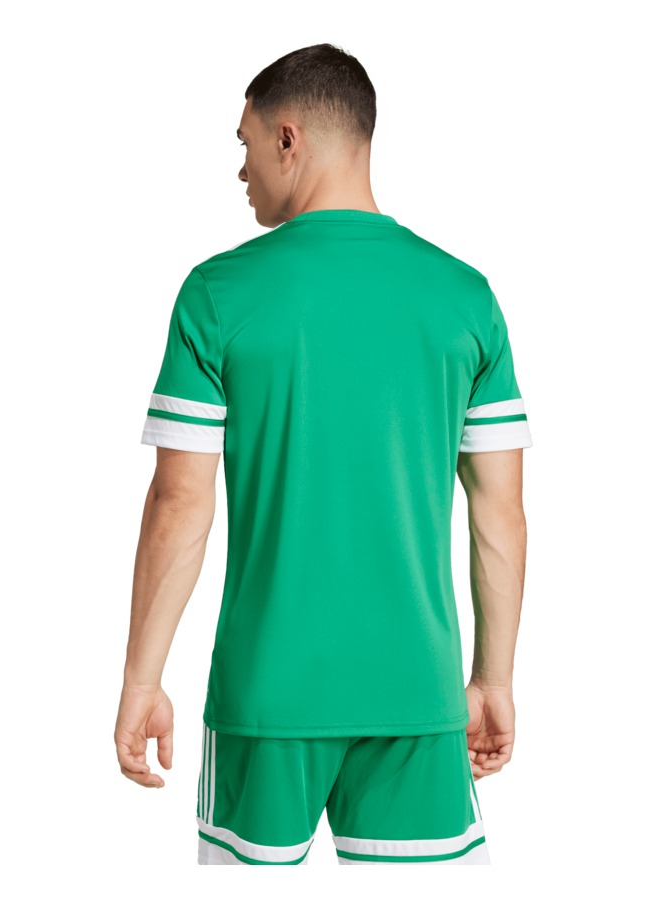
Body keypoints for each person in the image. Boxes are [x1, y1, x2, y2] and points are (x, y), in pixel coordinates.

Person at [114, 42, 532, 866]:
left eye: (244, 144)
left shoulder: (217, 294)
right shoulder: (465, 297)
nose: (240, 171)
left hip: (266, 697)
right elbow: (499, 512)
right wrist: (492, 680)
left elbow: (180, 503)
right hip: (417, 697)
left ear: (288, 138)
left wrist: (140, 680)